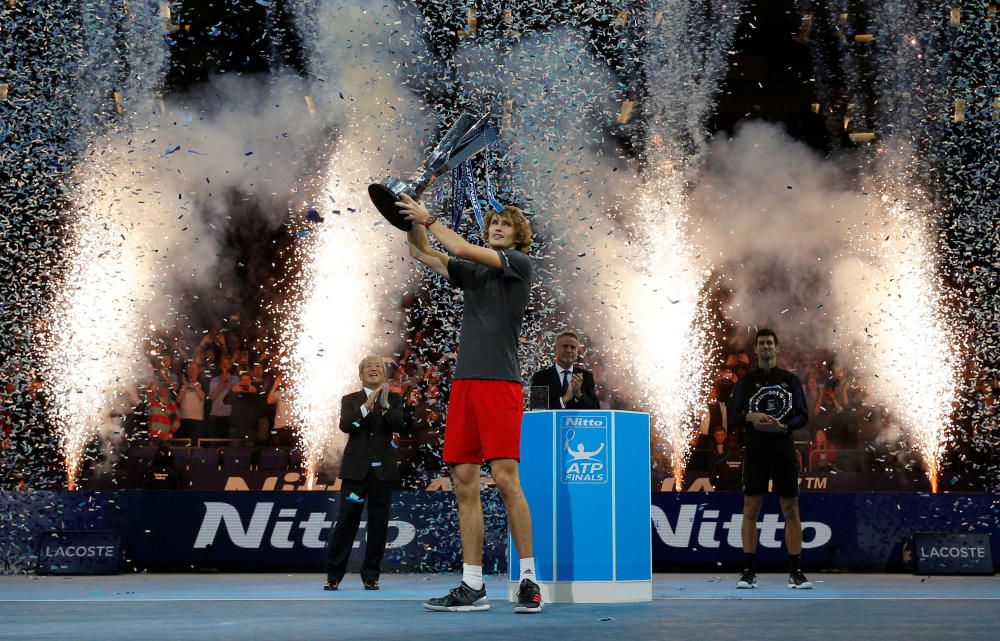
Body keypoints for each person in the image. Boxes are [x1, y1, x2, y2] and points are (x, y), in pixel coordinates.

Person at [397, 193, 542, 613]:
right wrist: (413, 217)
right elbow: (419, 249)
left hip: (500, 383)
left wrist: (430, 216)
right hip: (465, 385)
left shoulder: (520, 265)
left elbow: (456, 245)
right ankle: (472, 585)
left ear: (519, 236)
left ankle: (530, 581)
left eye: (506, 224)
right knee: (464, 480)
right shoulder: (473, 271)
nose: (497, 227)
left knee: (504, 476)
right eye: (493, 223)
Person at [727, 328, 811, 589]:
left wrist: (784, 427)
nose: (765, 347)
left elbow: (803, 415)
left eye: (769, 343)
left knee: (791, 510)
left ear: (777, 348)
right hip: (755, 451)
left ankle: (796, 572)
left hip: (783, 450)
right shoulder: (746, 382)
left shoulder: (790, 380)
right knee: (750, 509)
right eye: (761, 343)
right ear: (755, 349)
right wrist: (749, 417)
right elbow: (732, 418)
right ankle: (749, 571)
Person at [324, 355, 406, 591]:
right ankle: (334, 574)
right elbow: (346, 425)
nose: (373, 369)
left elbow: (399, 424)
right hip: (355, 472)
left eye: (377, 367)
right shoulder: (350, 400)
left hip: (383, 474)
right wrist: (366, 405)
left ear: (384, 374)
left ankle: (371, 575)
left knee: (378, 525)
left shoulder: (394, 399)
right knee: (346, 522)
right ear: (360, 375)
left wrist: (384, 406)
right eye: (368, 367)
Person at [530, 331, 600, 410]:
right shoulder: (540, 377)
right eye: (565, 346)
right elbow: (537, 410)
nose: (569, 350)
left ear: (577, 352)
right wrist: (564, 399)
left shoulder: (586, 377)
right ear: (556, 349)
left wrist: (578, 393)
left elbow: (596, 410)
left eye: (573, 347)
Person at [208, 357, 239, 441]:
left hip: (228, 415)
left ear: (230, 365)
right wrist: (221, 383)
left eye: (227, 363)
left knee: (227, 442)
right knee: (214, 442)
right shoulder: (214, 380)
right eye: (223, 363)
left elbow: (236, 395)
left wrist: (226, 381)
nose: (225, 365)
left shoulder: (235, 379)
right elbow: (212, 397)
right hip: (215, 414)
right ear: (220, 366)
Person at [177, 361, 205, 442]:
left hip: (197, 420)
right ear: (187, 371)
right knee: (184, 444)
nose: (192, 370)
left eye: (194, 368)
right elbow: (178, 400)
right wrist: (185, 386)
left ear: (198, 371)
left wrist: (194, 383)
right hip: (184, 418)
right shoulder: (182, 384)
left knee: (196, 444)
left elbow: (202, 397)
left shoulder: (202, 383)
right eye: (190, 368)